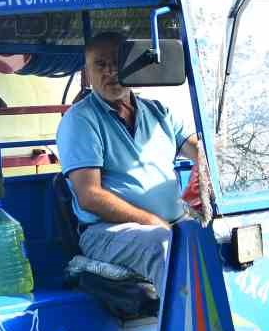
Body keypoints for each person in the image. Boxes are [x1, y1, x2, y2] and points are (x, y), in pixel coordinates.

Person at [56, 31, 201, 292]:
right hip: (106, 232)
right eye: (101, 64)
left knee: (225, 238)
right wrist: (153, 222)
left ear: (133, 66)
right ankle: (188, 319)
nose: (111, 72)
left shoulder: (158, 111)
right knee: (164, 245)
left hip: (172, 222)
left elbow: (199, 151)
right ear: (87, 73)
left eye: (118, 63)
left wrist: (214, 161)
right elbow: (89, 196)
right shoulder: (80, 120)